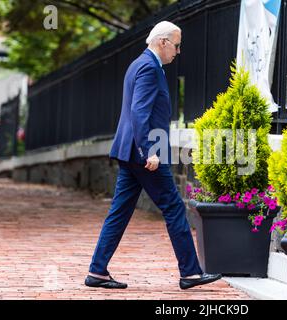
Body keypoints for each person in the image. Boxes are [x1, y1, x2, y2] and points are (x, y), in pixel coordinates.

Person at [85, 21, 221, 290]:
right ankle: (191, 273)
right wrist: (149, 150)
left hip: (131, 152)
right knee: (172, 206)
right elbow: (139, 113)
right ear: (163, 42)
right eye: (177, 45)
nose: (178, 51)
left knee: (119, 212)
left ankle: (97, 271)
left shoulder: (138, 63)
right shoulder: (148, 67)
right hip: (145, 155)